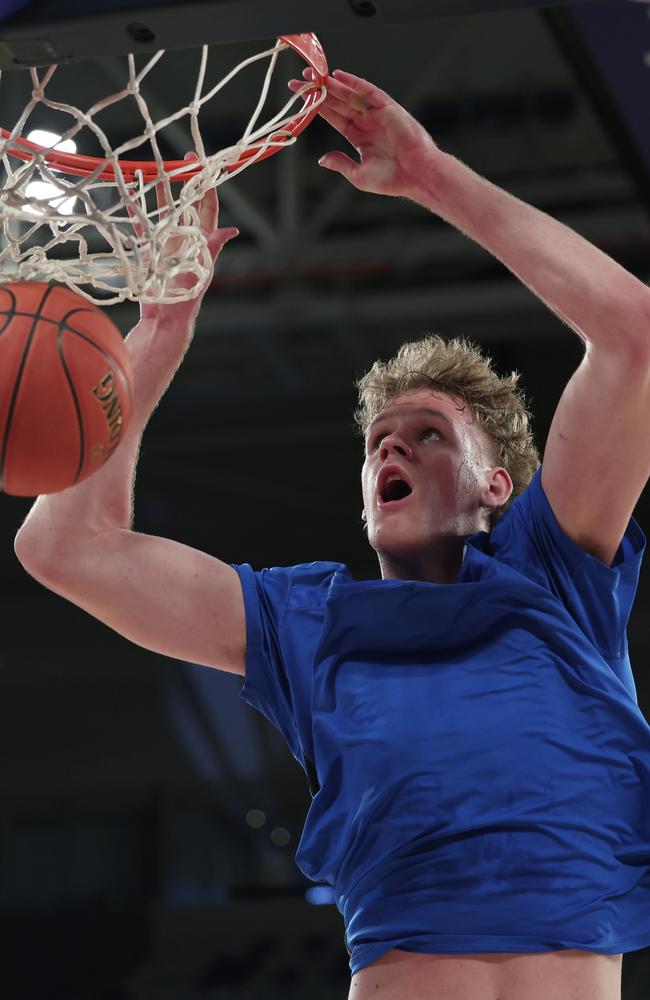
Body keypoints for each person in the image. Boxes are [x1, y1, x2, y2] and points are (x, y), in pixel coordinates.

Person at [14, 67, 650, 1000]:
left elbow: (636, 331)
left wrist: (431, 177)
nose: (393, 445)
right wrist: (159, 331)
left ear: (497, 484)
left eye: (428, 434)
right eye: (379, 442)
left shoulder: (557, 568)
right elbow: (64, 548)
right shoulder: (305, 620)